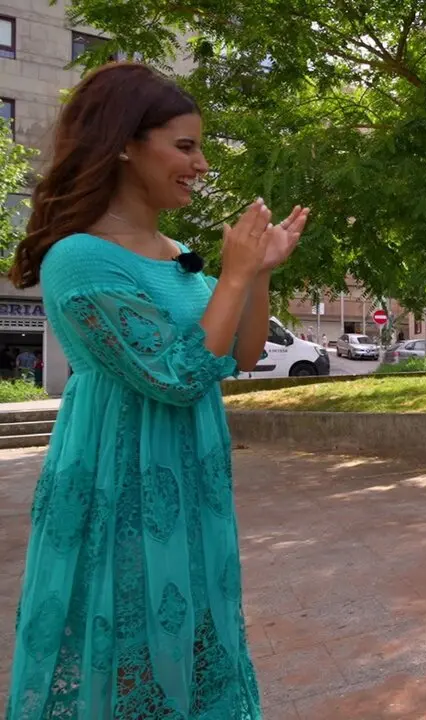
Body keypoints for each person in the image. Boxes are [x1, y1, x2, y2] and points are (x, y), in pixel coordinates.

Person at [5, 62, 309, 719]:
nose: (201, 164)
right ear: (124, 143)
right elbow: (173, 378)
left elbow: (243, 354)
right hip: (121, 482)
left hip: (193, 486)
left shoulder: (175, 250)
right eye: (185, 146)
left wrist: (258, 275)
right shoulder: (79, 258)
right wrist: (230, 276)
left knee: (197, 640)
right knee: (130, 647)